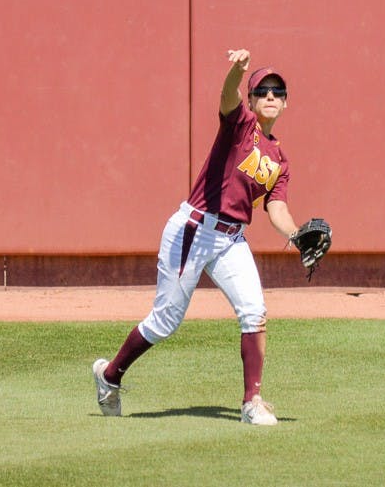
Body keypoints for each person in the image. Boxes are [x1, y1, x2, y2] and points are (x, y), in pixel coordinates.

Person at [92, 49, 305, 425]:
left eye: (278, 91)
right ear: (253, 100)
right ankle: (110, 377)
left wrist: (297, 235)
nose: (271, 96)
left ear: (286, 102)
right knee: (165, 322)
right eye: (263, 91)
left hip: (232, 238)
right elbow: (227, 99)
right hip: (195, 228)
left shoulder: (280, 160)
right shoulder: (241, 125)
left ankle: (252, 402)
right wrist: (236, 73)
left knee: (254, 312)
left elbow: (276, 208)